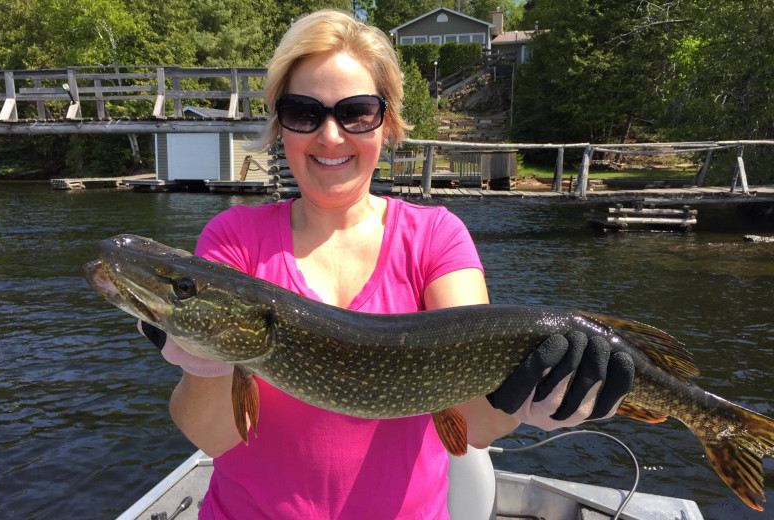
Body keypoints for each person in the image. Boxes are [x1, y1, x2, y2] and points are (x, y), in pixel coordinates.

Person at [140, 9, 634, 519]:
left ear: (387, 122)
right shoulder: (233, 239)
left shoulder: (435, 238)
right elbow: (215, 436)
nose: (330, 136)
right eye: (303, 112)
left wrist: (539, 398)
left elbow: (478, 427)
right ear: (279, 125)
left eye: (356, 112)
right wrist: (207, 361)